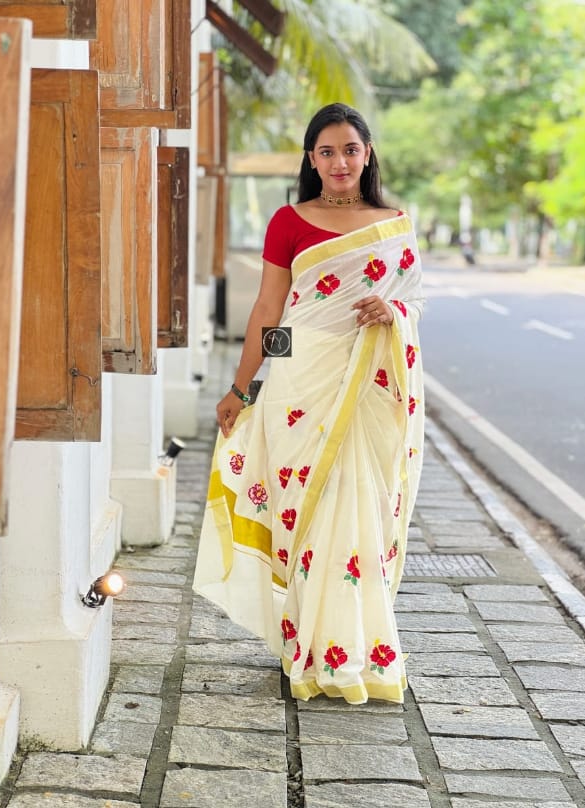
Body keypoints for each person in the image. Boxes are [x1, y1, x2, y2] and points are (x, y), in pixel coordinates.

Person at [194, 103, 425, 704]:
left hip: (371, 382)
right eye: (326, 151)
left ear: (367, 152)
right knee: (308, 509)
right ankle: (307, 650)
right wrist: (246, 384)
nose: (340, 162)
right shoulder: (289, 221)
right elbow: (274, 314)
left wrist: (393, 315)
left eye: (350, 149)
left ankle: (355, 651)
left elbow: (415, 304)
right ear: (311, 160)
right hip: (302, 382)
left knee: (359, 510)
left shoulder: (394, 222)